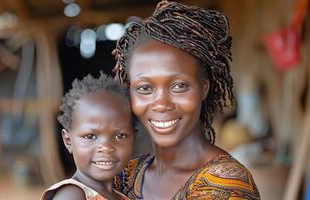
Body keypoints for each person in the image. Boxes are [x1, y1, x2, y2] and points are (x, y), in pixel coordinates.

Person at [112, 0, 261, 199]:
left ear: (204, 88)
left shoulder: (226, 184)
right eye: (145, 88)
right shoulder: (126, 175)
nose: (161, 103)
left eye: (179, 86)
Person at [40, 73, 134, 200]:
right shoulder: (72, 195)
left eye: (120, 135)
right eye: (90, 136)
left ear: (133, 138)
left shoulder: (120, 196)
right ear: (68, 141)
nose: (106, 147)